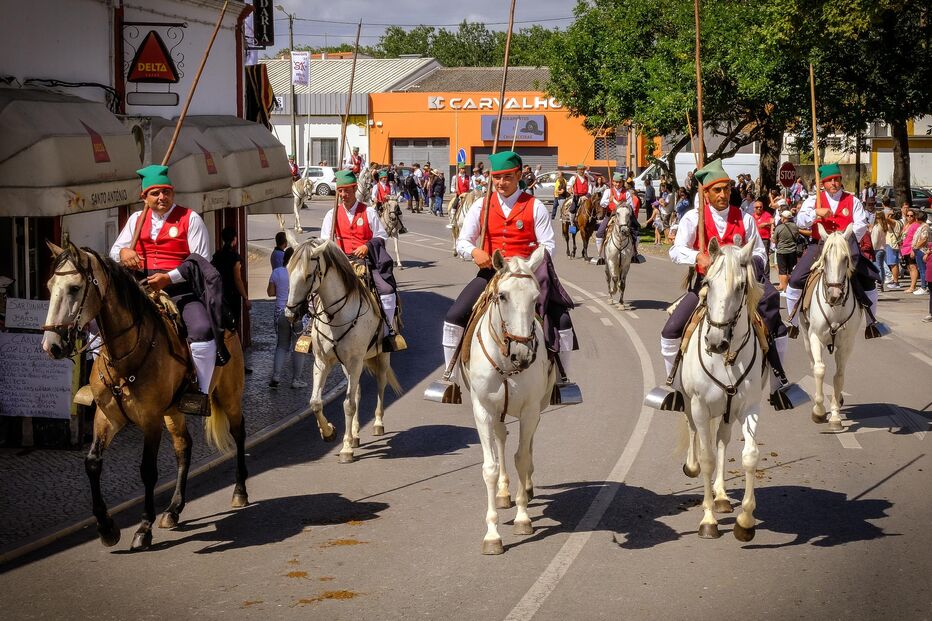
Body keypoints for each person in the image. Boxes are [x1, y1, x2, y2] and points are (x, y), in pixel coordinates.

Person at [647, 159, 800, 411]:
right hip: (707, 287)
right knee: (670, 331)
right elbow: (676, 250)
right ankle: (673, 388)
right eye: (717, 190)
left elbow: (760, 252)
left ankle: (778, 385)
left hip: (742, 285)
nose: (723, 194)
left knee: (775, 324)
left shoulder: (745, 218)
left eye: (726, 189)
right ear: (706, 194)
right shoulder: (693, 219)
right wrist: (697, 256)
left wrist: (747, 267)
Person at [433, 150, 578, 398]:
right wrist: (474, 252)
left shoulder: (535, 207)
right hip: (492, 275)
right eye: (496, 177)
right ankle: (450, 378)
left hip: (524, 278)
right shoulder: (481, 205)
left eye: (507, 177)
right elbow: (463, 241)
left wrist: (527, 264)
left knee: (562, 321)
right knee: (454, 316)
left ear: (519, 175)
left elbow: (549, 245)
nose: (501, 183)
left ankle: (563, 381)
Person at [110, 165, 225, 415]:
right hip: (141, 289)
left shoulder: (190, 218)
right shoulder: (135, 221)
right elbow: (113, 252)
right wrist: (124, 252)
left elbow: (200, 260)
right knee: (101, 327)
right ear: (144, 197)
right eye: (155, 193)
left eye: (166, 192)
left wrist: (168, 278)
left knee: (202, 330)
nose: (161, 197)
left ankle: (201, 393)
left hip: (181, 289)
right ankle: (106, 383)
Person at [784, 163, 886, 338]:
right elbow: (800, 221)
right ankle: (792, 321)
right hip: (820, 245)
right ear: (823, 183)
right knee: (795, 280)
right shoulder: (812, 200)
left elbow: (861, 224)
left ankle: (872, 322)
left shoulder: (852, 200)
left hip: (846, 245)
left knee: (869, 278)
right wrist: (816, 213)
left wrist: (845, 237)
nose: (833, 183)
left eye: (836, 180)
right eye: (829, 180)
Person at [319, 170, 405, 351]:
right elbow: (324, 241)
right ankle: (310, 330)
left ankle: (388, 331)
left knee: (387, 290)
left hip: (366, 262)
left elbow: (382, 235)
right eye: (340, 191)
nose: (343, 195)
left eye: (346, 191)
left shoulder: (369, 211)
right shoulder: (331, 214)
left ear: (354, 189)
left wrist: (367, 246)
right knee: (314, 290)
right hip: (341, 264)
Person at [268, 247, 308, 389]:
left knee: (281, 346)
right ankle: (296, 380)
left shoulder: (277, 272)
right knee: (300, 347)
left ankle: (276, 376)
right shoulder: (302, 273)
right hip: (299, 315)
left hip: (281, 313)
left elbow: (270, 292)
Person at [212, 226, 252, 329]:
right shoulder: (234, 257)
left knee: (220, 324)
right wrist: (245, 297)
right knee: (232, 325)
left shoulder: (217, 255)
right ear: (234, 240)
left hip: (219, 293)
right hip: (231, 295)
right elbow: (237, 279)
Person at [901, 209, 927, 295]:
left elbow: (917, 238)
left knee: (913, 267)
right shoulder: (907, 224)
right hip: (905, 248)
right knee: (909, 267)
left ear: (915, 217)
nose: (909, 217)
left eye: (911, 216)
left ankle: (913, 286)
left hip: (911, 248)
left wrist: (913, 249)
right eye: (908, 215)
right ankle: (912, 286)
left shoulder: (916, 225)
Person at [773, 210, 800, 291]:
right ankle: (791, 288)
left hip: (781, 252)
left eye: (782, 217)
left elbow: (774, 240)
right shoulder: (795, 227)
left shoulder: (779, 227)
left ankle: (785, 289)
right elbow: (797, 236)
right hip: (792, 251)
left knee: (783, 271)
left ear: (784, 218)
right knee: (791, 271)